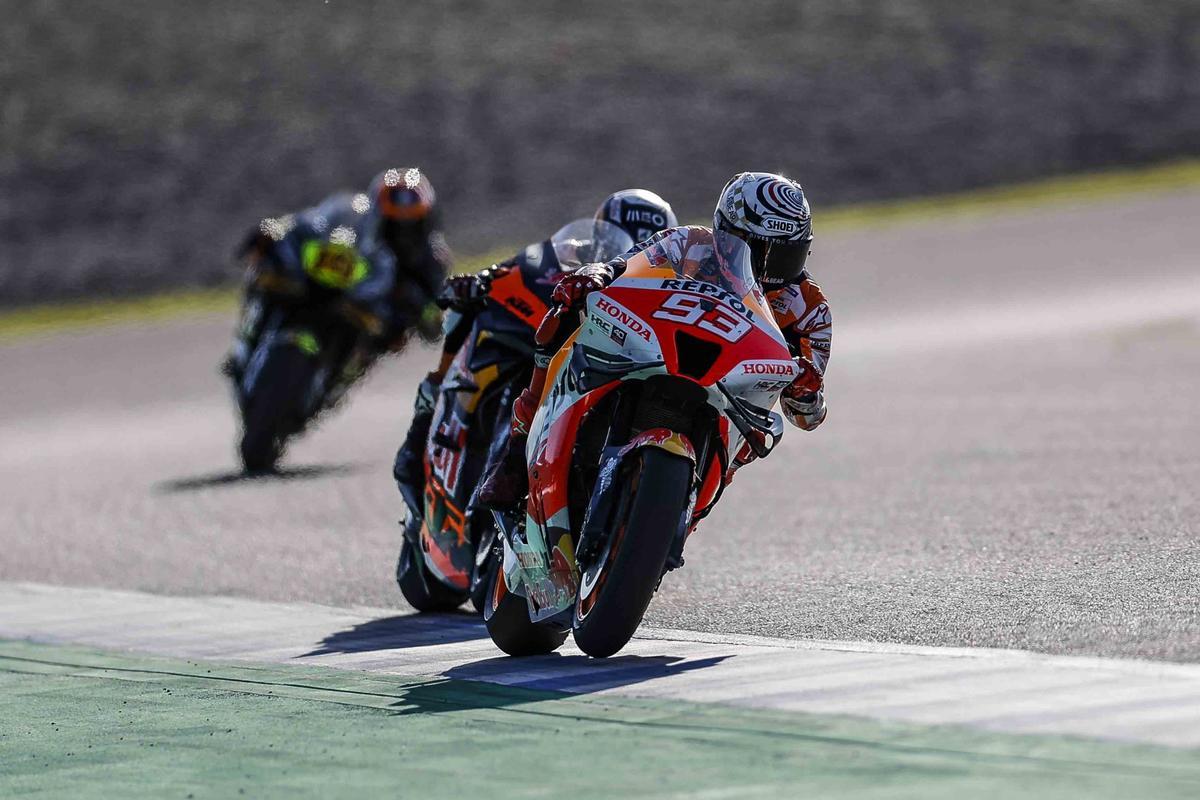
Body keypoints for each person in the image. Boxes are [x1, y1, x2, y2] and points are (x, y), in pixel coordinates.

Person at [476, 171, 832, 509]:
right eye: (757, 253)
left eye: (786, 256)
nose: (769, 273)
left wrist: (806, 393)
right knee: (563, 316)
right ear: (727, 232)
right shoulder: (690, 243)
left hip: (732, 404)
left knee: (749, 447)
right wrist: (597, 274)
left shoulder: (811, 311)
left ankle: (680, 516)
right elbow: (629, 262)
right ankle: (516, 452)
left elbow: (808, 417)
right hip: (660, 351)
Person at [392, 189, 678, 502]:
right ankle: (429, 406)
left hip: (607, 361)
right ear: (600, 234)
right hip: (549, 338)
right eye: (620, 240)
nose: (627, 252)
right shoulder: (572, 250)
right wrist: (482, 280)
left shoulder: (667, 278)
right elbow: (518, 266)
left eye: (643, 244)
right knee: (466, 310)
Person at [225, 167, 451, 382]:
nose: (401, 235)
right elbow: (310, 222)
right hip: (333, 287)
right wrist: (274, 231)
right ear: (376, 214)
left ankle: (343, 373)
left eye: (410, 225)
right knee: (267, 271)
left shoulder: (432, 260)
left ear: (425, 221)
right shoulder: (353, 216)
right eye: (393, 225)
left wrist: (416, 304)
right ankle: (244, 344)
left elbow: (435, 324)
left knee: (393, 336)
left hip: (373, 313)